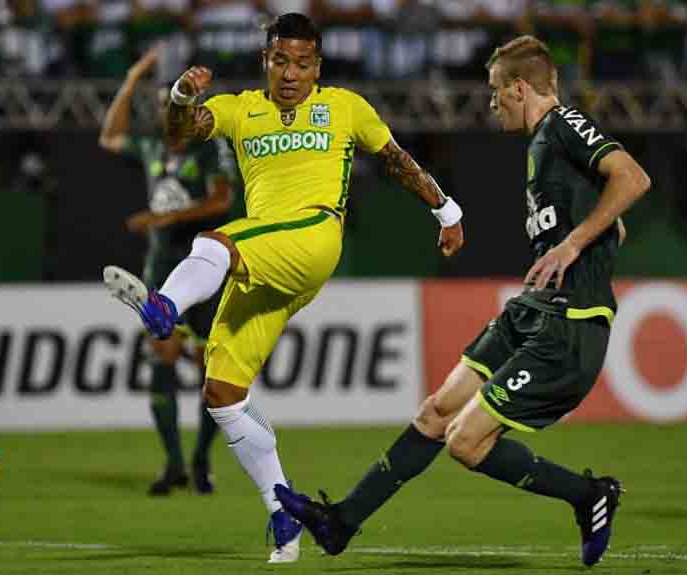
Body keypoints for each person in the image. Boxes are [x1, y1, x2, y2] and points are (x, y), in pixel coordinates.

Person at [274, 34, 650, 568]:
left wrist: (572, 242)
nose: (492, 101)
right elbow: (618, 224)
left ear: (521, 88)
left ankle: (589, 495)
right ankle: (340, 523)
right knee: (436, 413)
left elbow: (633, 178)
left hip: (571, 321)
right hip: (532, 309)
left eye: (497, 90)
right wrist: (592, 231)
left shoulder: (563, 125)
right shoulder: (543, 145)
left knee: (465, 442)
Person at [102, 12, 465, 564]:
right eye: (280, 61)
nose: (290, 73)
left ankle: (165, 305)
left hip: (315, 235)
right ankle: (282, 513)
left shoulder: (345, 106)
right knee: (222, 391)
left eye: (301, 63)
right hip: (270, 263)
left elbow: (395, 159)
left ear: (316, 65)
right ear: (264, 62)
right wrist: (179, 95)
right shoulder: (242, 108)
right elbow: (180, 132)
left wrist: (446, 210)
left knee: (216, 242)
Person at [99, 47, 236, 496]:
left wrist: (162, 220)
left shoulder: (210, 147)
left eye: (175, 106)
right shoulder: (152, 145)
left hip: (203, 270)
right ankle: (175, 462)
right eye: (163, 106)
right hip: (160, 269)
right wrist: (133, 74)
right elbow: (109, 136)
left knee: (208, 373)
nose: (168, 113)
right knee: (162, 358)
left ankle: (200, 459)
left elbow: (221, 202)